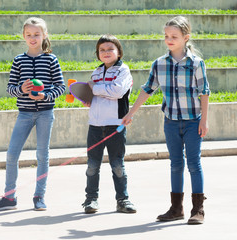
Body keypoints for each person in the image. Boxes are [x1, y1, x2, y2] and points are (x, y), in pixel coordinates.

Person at [122, 16, 209, 224]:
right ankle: (176, 208)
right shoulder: (159, 64)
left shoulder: (196, 63)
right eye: (166, 36)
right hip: (170, 122)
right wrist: (130, 113)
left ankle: (198, 209)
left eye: (174, 36)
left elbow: (204, 92)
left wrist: (204, 120)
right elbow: (147, 90)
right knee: (176, 164)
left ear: (186, 38)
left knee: (194, 164)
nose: (169, 39)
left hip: (193, 121)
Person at [0, 17, 65, 211]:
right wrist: (21, 88)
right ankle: (9, 197)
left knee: (42, 155)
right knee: (12, 154)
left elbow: (60, 87)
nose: (33, 38)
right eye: (29, 35)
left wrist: (45, 95)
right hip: (24, 114)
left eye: (37, 34)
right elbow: (10, 88)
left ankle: (39, 196)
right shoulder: (19, 60)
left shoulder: (51, 59)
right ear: (24, 36)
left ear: (44, 35)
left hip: (45, 113)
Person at [81, 34, 136, 214]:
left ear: (119, 52)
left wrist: (94, 89)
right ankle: (91, 200)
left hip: (115, 125)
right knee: (92, 166)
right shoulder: (95, 72)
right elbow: (96, 95)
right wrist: (88, 99)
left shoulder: (123, 71)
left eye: (110, 49)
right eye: (102, 50)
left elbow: (117, 91)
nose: (106, 52)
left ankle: (123, 200)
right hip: (95, 126)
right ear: (97, 54)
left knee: (117, 165)